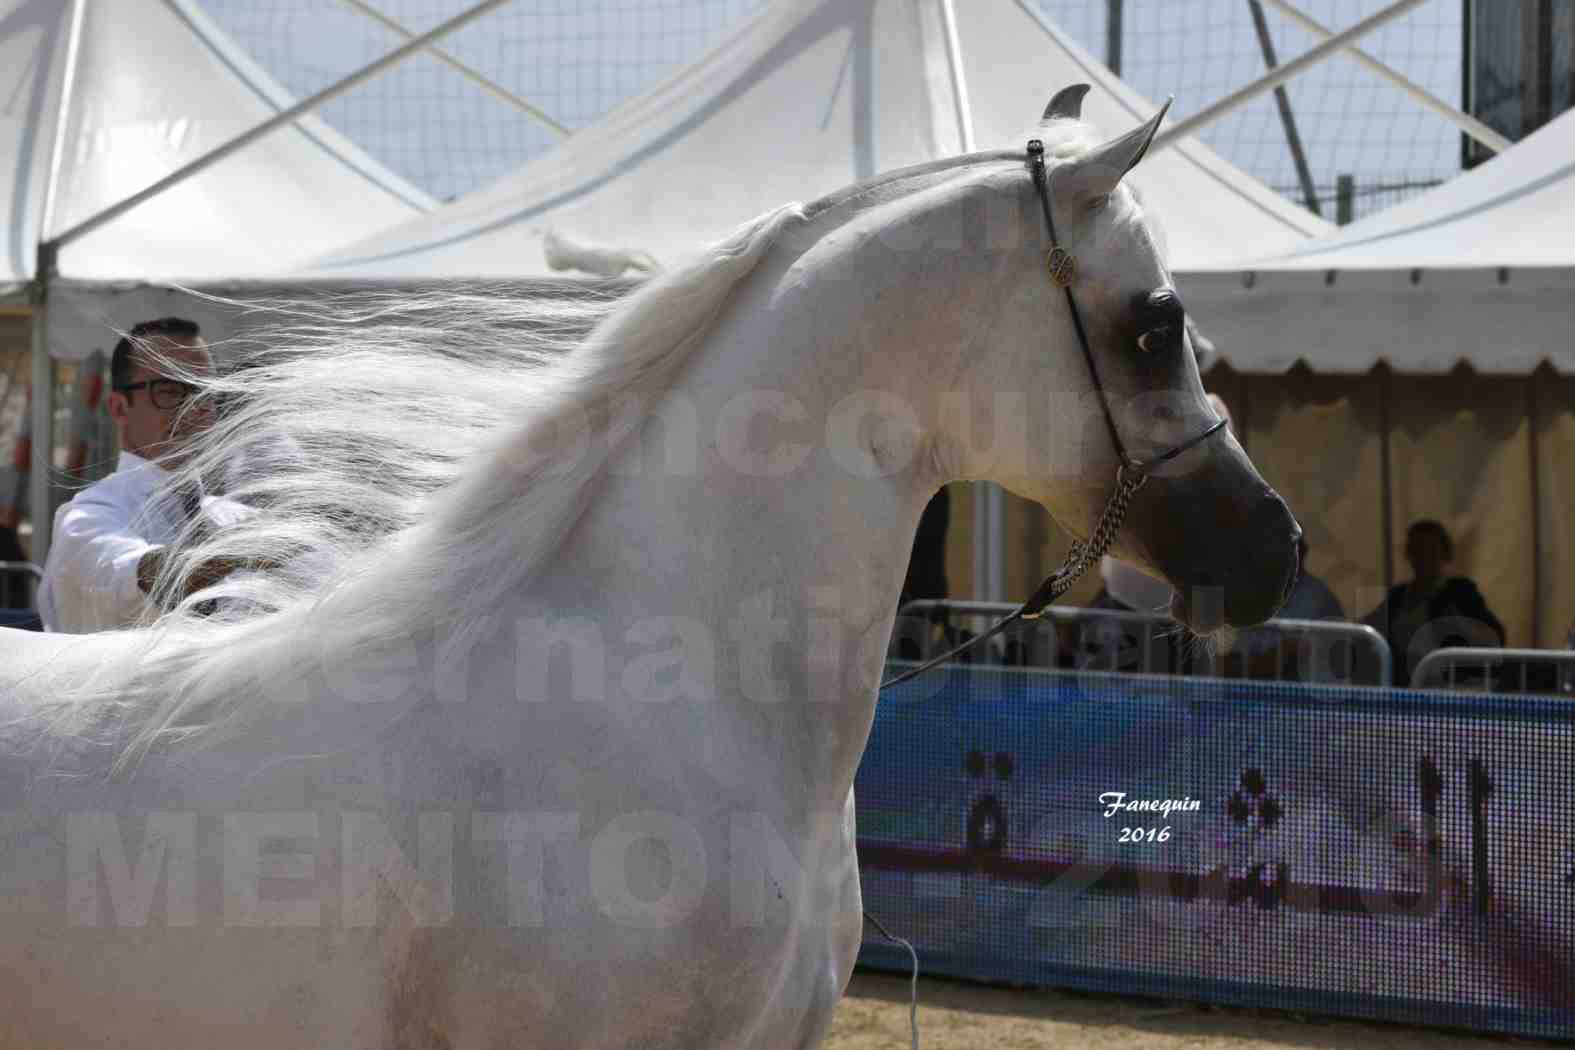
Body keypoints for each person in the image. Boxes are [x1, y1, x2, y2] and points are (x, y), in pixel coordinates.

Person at [38, 317, 246, 633]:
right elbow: (141, 574)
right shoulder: (87, 518)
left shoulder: (234, 517)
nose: (196, 408)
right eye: (171, 391)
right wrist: (251, 552)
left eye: (206, 392)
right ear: (120, 408)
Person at [1361, 519, 1504, 686]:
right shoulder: (1398, 596)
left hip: (1450, 689)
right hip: (1404, 688)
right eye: (1417, 551)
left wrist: (1460, 625)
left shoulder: (1461, 592)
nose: (1424, 559)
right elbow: (1368, 628)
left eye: (1431, 551)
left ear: (1444, 554)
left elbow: (1495, 637)